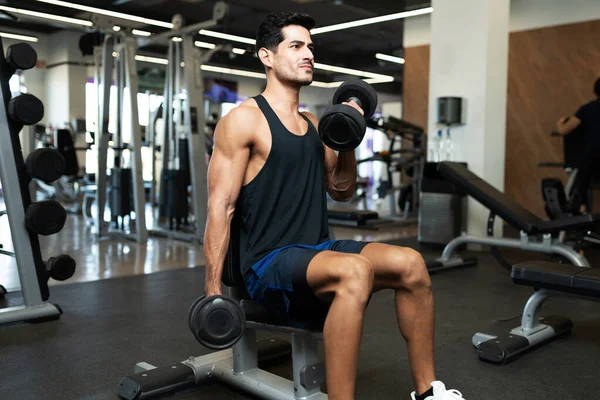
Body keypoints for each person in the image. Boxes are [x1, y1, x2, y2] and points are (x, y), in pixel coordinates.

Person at [203, 11, 465, 400]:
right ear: (267, 57)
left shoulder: (312, 123)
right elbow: (220, 207)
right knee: (356, 271)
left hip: (316, 251)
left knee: (412, 264)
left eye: (310, 46)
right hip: (265, 264)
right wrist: (212, 291)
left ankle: (428, 392)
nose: (308, 53)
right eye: (296, 45)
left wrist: (347, 132)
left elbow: (341, 189)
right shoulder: (243, 120)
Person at [556, 78, 600, 212]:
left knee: (584, 170)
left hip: (592, 160)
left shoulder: (587, 109)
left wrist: (560, 123)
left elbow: (564, 130)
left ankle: (582, 207)